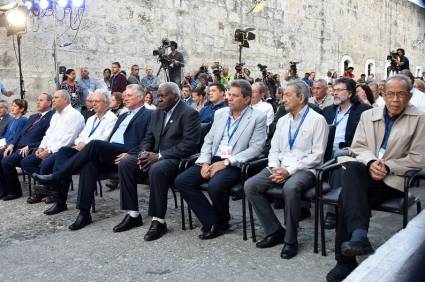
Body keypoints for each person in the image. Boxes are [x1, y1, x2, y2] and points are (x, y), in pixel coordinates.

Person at [326, 75, 425, 282]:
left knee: (347, 196)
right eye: (390, 94)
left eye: (401, 94)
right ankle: (358, 237)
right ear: (383, 94)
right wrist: (371, 163)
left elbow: (419, 158)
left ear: (410, 96)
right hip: (365, 173)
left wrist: (388, 167)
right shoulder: (369, 115)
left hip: (394, 180)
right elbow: (358, 147)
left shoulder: (420, 119)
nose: (395, 99)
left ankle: (346, 258)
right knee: (353, 170)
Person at [34, 84, 151, 224]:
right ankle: (84, 214)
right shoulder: (123, 115)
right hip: (109, 152)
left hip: (124, 152)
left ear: (140, 97)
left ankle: (58, 176)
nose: (124, 98)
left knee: (94, 143)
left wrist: (132, 153)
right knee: (85, 163)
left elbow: (149, 139)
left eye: (128, 96)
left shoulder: (149, 114)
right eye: (124, 95)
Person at [244, 80, 328, 259]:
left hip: (305, 169)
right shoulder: (282, 121)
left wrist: (289, 171)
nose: (283, 98)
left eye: (288, 95)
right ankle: (274, 230)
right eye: (283, 94)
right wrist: (274, 167)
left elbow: (317, 156)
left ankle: (291, 240)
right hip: (279, 166)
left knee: (290, 188)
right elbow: (274, 149)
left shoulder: (317, 120)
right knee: (250, 185)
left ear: (301, 97)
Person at [175, 80, 266, 240]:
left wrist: (226, 163)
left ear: (246, 99)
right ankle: (213, 220)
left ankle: (221, 221)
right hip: (213, 158)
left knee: (215, 185)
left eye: (234, 96)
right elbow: (209, 140)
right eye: (229, 94)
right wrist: (205, 162)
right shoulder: (220, 113)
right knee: (182, 181)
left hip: (236, 161)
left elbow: (256, 148)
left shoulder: (257, 117)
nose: (229, 98)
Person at [113, 82, 200, 241]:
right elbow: (148, 138)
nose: (158, 99)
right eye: (157, 96)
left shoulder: (189, 113)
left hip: (176, 159)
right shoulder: (157, 113)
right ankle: (133, 214)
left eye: (162, 96)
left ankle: (158, 220)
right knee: (126, 163)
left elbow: (189, 146)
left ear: (175, 96)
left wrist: (159, 156)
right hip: (155, 157)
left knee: (157, 168)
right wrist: (144, 152)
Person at [35, 89, 118, 215]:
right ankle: (60, 202)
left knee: (70, 162)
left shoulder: (112, 119)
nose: (93, 104)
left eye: (97, 101)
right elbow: (81, 136)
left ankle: (56, 178)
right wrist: (79, 143)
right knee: (63, 151)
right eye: (92, 101)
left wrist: (84, 145)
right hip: (82, 150)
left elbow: (103, 140)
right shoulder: (91, 119)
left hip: (97, 154)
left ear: (106, 103)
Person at [322, 78, 372, 228]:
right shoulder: (328, 111)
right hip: (326, 149)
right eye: (334, 90)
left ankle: (332, 211)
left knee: (338, 161)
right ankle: (300, 208)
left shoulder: (364, 111)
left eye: (339, 90)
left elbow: (368, 139)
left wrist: (349, 150)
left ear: (350, 93)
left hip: (350, 151)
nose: (334, 93)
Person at [20, 90, 85, 202]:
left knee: (46, 163)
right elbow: (47, 135)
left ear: (65, 99)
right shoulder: (55, 115)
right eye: (53, 98)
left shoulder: (74, 115)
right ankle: (47, 189)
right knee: (26, 162)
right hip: (48, 149)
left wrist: (49, 151)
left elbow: (68, 139)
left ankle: (50, 191)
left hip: (64, 151)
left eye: (56, 98)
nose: (53, 100)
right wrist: (41, 147)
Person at [0, 94, 53, 201]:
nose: (38, 102)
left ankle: (16, 191)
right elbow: (20, 133)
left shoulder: (51, 117)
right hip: (18, 147)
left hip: (32, 149)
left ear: (49, 103)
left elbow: (48, 137)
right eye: (37, 100)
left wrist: (30, 146)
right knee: (3, 160)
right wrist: (12, 144)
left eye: (41, 100)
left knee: (6, 162)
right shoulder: (33, 117)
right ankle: (8, 190)